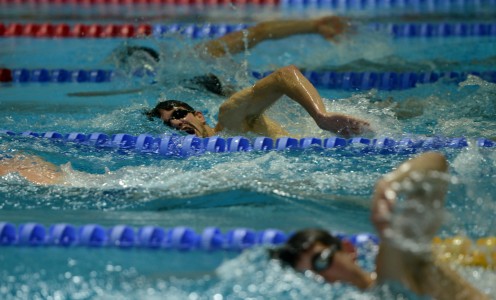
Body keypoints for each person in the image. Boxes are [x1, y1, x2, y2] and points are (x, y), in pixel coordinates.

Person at [270, 152, 489, 300]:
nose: (324, 278)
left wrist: (389, 184)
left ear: (349, 249)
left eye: (321, 261)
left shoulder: (393, 271)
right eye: (310, 276)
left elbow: (436, 164)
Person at [70, 15, 350, 97]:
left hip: (247, 89)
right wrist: (312, 25)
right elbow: (261, 31)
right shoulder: (197, 54)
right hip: (278, 80)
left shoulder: (179, 69)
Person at [144, 65, 371, 139]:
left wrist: (321, 117)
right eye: (168, 124)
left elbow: (285, 75)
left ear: (200, 115)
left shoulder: (231, 119)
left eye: (177, 115)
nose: (175, 124)